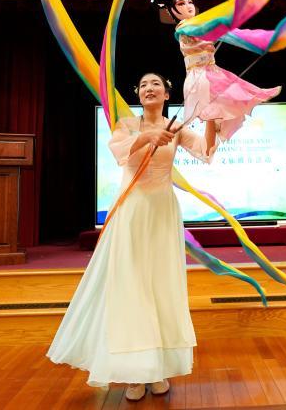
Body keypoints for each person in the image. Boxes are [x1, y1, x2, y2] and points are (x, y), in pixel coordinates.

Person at [47, 72, 218, 401]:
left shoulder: (176, 128)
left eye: (156, 84)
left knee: (161, 288)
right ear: (138, 94)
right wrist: (148, 136)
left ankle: (158, 368)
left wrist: (212, 119)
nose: (149, 88)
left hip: (163, 213)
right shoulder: (125, 125)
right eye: (143, 85)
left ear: (167, 94)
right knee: (132, 289)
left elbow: (207, 151)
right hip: (132, 212)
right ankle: (134, 373)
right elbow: (120, 151)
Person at [151, 0, 281, 140]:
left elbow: (222, 32)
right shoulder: (187, 27)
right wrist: (256, 39)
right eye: (181, 4)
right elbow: (223, 32)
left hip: (212, 73)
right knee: (234, 97)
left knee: (233, 99)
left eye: (189, 2)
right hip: (201, 77)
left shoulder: (197, 25)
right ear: (171, 11)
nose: (188, 6)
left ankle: (214, 135)